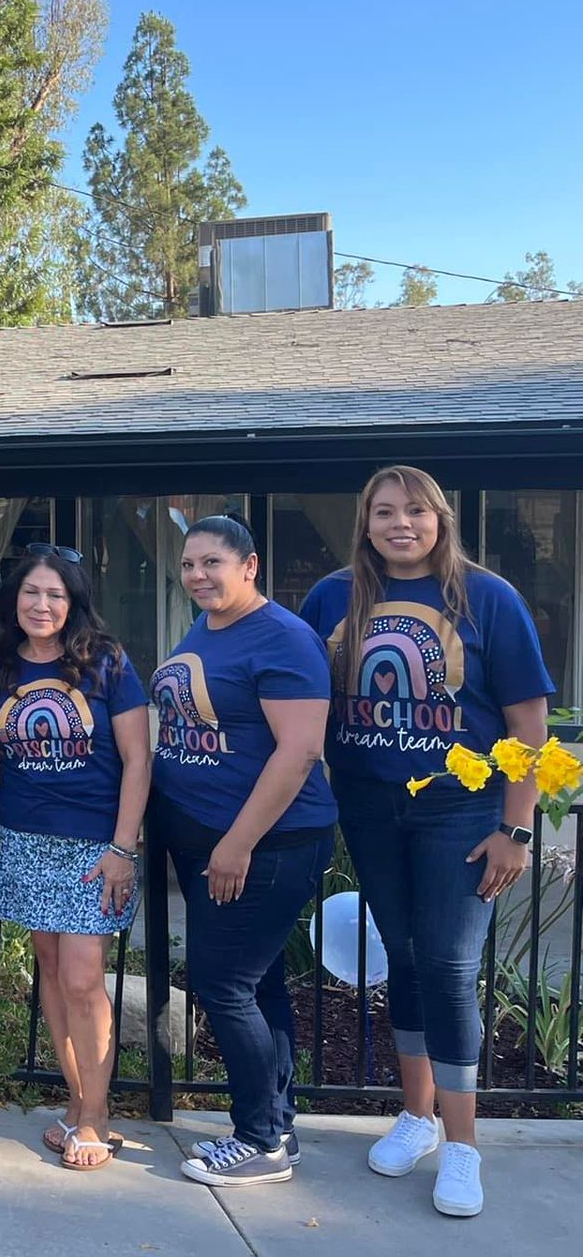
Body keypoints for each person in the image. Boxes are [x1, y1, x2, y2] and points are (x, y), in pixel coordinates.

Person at [300, 466, 553, 1218]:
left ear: (440, 518)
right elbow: (303, 699)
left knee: (447, 965)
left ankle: (465, 1146)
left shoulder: (487, 598)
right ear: (365, 521)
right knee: (404, 957)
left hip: (463, 813)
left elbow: (529, 726)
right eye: (383, 511)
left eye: (415, 510)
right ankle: (416, 1118)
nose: (399, 523)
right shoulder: (333, 598)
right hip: (371, 808)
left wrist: (516, 827)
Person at [151, 515, 333, 1189]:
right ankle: (276, 1121)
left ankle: (258, 1139)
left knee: (223, 986)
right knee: (256, 985)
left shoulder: (282, 637)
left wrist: (238, 842)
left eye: (213, 563)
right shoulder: (209, 626)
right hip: (203, 836)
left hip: (266, 845)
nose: (198, 574)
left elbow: (300, 749)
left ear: (249, 565)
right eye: (190, 563)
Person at [0, 543, 150, 1172]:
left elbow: (138, 759)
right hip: (25, 838)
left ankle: (98, 1116)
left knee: (83, 977)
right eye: (31, 592)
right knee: (51, 969)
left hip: (95, 847)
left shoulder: (106, 663)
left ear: (74, 601)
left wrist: (122, 849)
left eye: (55, 594)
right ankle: (78, 1101)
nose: (42, 604)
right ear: (13, 600)